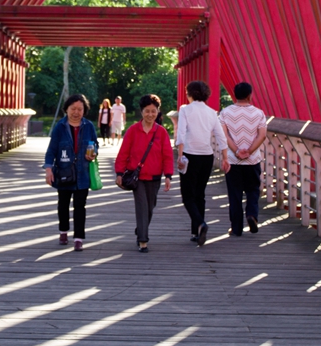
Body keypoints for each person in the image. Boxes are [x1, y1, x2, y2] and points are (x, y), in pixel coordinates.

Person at [115, 94, 174, 253]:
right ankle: (143, 240)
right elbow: (123, 153)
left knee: (149, 208)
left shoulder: (161, 132)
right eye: (147, 111)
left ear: (158, 112)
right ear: (141, 112)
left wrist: (168, 176)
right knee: (142, 207)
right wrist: (119, 172)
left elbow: (168, 156)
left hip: (155, 177)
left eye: (153, 111)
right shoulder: (133, 131)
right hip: (137, 178)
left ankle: (140, 229)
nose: (150, 114)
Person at [175, 80, 230, 246]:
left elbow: (181, 133)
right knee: (200, 194)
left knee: (187, 196)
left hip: (190, 155)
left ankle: (200, 224)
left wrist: (180, 155)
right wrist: (225, 158)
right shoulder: (212, 112)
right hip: (207, 157)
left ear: (190, 94)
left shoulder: (185, 110)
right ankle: (196, 232)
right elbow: (221, 136)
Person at [44, 94, 98, 252]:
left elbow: (95, 144)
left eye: (80, 109)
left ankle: (78, 238)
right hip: (64, 172)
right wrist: (48, 169)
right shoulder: (60, 127)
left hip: (82, 173)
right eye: (73, 109)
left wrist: (93, 152)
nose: (76, 112)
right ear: (66, 109)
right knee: (63, 204)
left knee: (80, 206)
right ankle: (63, 231)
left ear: (84, 111)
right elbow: (51, 150)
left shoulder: (89, 126)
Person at [220, 82, 268, 237]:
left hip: (233, 161)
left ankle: (236, 228)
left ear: (235, 95)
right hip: (252, 160)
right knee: (253, 190)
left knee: (235, 194)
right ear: (249, 95)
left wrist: (236, 151)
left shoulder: (225, 113)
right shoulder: (259, 113)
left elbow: (224, 136)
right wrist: (249, 151)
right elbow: (262, 135)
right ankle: (252, 215)